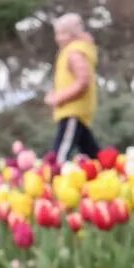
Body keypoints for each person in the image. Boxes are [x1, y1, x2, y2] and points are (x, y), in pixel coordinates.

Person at [44, 13, 100, 162]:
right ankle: (109, 175)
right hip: (75, 111)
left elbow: (83, 82)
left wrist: (58, 97)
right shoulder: (71, 52)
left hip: (73, 111)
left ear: (72, 34)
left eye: (61, 34)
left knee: (59, 154)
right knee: (92, 154)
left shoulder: (74, 53)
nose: (57, 38)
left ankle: (51, 179)